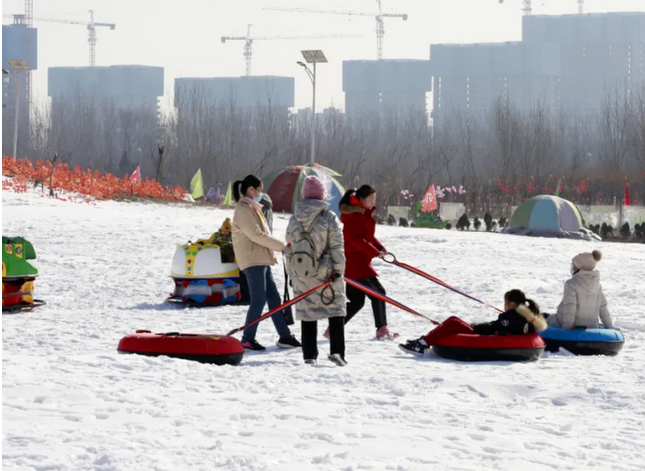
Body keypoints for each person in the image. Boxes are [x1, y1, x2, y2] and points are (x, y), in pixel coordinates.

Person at [231, 174, 301, 351]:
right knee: (259, 299)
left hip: (261, 258)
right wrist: (280, 246)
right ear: (251, 189)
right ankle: (247, 338)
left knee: (273, 298)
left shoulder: (253, 207)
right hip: (253, 259)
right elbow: (255, 235)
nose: (262, 194)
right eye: (259, 190)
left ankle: (285, 336)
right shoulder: (243, 209)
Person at [285, 175, 347, 366]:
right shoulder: (328, 218)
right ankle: (337, 352)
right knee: (336, 309)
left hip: (302, 272)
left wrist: (292, 273)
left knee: (307, 312)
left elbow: (289, 248)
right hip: (326, 273)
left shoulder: (294, 218)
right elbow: (337, 248)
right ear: (322, 195)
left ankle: (309, 355)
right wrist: (339, 272)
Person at [331, 184, 398, 340]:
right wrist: (374, 252)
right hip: (356, 264)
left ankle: (333, 329)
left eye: (374, 199)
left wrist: (380, 247)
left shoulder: (363, 214)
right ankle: (382, 329)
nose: (373, 202)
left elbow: (367, 237)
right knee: (379, 293)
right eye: (370, 199)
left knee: (356, 302)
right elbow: (355, 239)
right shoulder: (355, 215)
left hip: (358, 262)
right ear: (361, 199)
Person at [399, 289, 547, 356]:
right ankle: (424, 341)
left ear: (512, 304)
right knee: (454, 321)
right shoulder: (527, 316)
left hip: (482, 337)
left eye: (506, 303)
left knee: (452, 322)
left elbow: (497, 330)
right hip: (486, 333)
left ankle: (422, 344)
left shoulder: (509, 318)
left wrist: (477, 327)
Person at [547, 250, 614, 330]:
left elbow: (570, 309)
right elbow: (603, 310)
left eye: (574, 265)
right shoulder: (597, 286)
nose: (572, 267)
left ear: (579, 267)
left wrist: (565, 331)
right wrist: (609, 327)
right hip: (591, 326)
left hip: (564, 323)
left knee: (544, 318)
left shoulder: (571, 284)